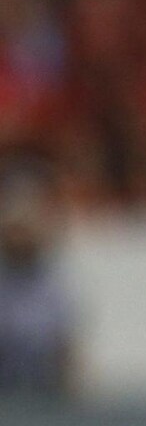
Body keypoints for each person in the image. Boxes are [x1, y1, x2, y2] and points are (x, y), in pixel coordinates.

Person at [0, 171, 74, 398]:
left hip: (43, 389)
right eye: (13, 232)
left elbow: (65, 347)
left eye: (25, 232)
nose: (19, 239)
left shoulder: (53, 286)